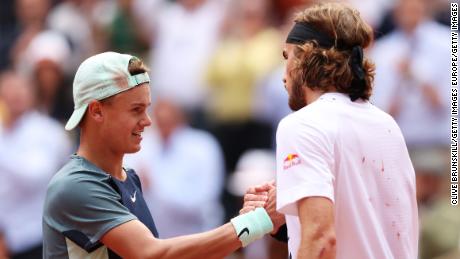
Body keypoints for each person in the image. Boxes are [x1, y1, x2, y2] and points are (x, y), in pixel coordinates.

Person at [42, 52, 278, 258]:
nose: (147, 121)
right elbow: (152, 254)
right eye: (136, 110)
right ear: (96, 111)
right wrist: (255, 222)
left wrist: (248, 218)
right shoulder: (76, 186)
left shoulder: (128, 177)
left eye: (147, 109)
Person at [244, 3, 418, 259]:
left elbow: (321, 240)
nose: (283, 76)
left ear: (304, 59)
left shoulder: (301, 125)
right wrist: (287, 214)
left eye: (287, 57)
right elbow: (362, 223)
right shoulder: (387, 124)